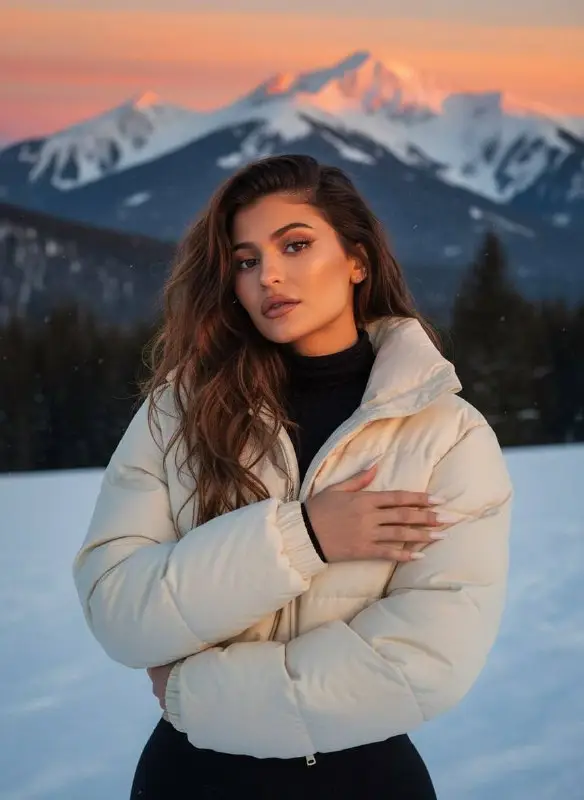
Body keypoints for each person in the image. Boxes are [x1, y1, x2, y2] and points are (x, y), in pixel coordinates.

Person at [73, 154, 513, 799]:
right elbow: (117, 609)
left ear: (357, 261)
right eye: (246, 260)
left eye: (296, 245)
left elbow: (423, 662)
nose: (268, 276)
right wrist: (303, 536)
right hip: (190, 781)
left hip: (361, 780)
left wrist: (197, 694)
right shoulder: (180, 409)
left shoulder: (446, 435)